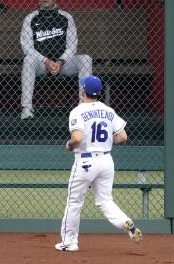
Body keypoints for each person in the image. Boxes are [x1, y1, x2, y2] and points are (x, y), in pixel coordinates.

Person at [55, 75, 142, 252]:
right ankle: (126, 222)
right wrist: (104, 142)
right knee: (105, 200)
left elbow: (77, 138)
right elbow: (123, 136)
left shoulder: (78, 111)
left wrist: (69, 144)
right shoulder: (108, 110)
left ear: (83, 91)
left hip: (85, 161)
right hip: (106, 160)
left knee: (74, 202)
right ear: (99, 92)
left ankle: (69, 242)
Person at [20, 0, 92, 120]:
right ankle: (27, 109)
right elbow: (26, 47)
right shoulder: (31, 18)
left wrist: (60, 61)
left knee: (86, 59)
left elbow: (73, 45)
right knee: (28, 59)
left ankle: (84, 108)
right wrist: (45, 60)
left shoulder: (66, 17)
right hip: (40, 64)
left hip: (63, 64)